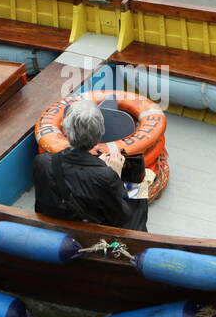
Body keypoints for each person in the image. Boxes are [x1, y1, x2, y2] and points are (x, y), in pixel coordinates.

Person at [33, 98, 150, 231]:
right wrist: (115, 175)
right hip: (90, 233)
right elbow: (121, 216)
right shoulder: (106, 176)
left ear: (65, 131)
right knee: (138, 190)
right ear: (99, 133)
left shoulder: (42, 161)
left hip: (54, 222)